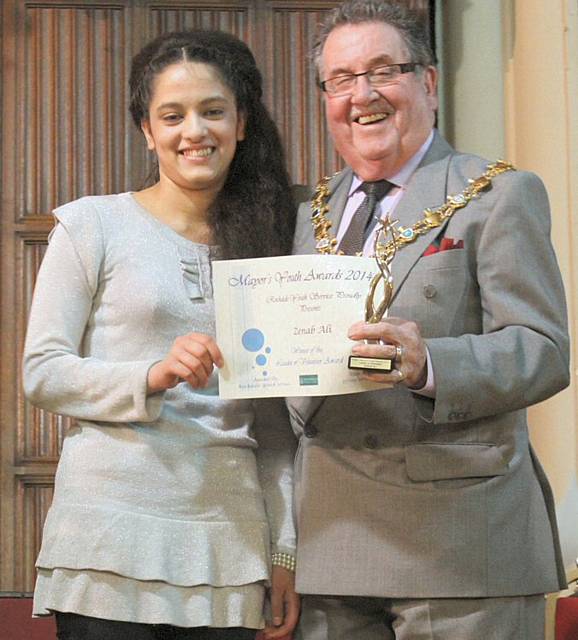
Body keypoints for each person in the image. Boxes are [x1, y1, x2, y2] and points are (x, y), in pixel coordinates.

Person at [288, 2, 570, 639]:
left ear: (430, 84)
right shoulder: (306, 215)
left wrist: (430, 364)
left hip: (462, 549)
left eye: (384, 70)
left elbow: (544, 350)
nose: (362, 95)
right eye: (341, 79)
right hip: (332, 546)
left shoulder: (498, 194)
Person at [23, 29, 299, 640]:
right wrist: (151, 374)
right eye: (172, 116)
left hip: (226, 547)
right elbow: (42, 371)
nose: (193, 131)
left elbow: (277, 422)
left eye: (213, 112)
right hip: (106, 542)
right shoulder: (91, 225)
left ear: (242, 123)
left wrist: (283, 553)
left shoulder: (275, 245)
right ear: (148, 131)